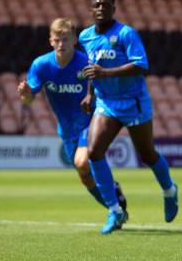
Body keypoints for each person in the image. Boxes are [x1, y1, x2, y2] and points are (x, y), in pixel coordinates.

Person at [79, 0, 178, 234]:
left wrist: (106, 73)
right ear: (91, 10)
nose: (101, 8)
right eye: (97, 5)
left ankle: (169, 190)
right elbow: (91, 68)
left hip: (133, 101)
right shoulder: (85, 37)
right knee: (94, 152)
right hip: (107, 103)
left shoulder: (126, 33)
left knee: (147, 154)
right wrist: (90, 93)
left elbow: (141, 66)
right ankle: (115, 210)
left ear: (114, 9)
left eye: (106, 4)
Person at [17, 18, 128, 217]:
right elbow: (28, 100)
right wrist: (25, 93)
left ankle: (114, 209)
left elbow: (104, 88)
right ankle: (115, 206)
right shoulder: (41, 65)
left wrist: (91, 95)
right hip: (67, 129)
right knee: (85, 176)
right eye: (57, 40)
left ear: (74, 40)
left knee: (81, 162)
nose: (61, 44)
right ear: (51, 41)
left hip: (90, 121)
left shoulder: (85, 62)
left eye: (65, 39)